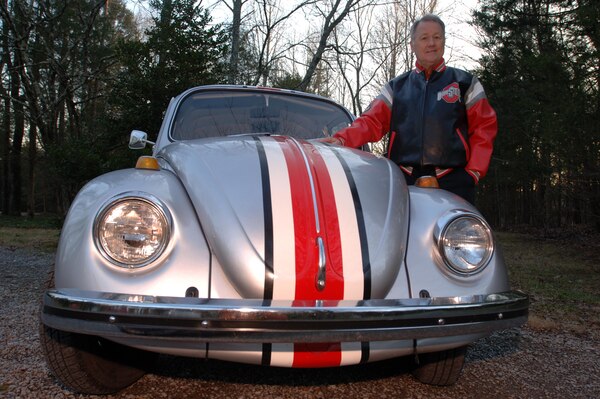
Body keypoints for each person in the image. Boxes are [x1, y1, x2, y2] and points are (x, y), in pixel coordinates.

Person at [321, 14, 497, 204]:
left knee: (457, 233)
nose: (431, 43)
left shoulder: (465, 83)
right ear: (412, 44)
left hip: (454, 180)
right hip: (402, 178)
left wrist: (473, 172)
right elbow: (371, 122)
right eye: (424, 38)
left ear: (444, 41)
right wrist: (341, 139)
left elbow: (484, 127)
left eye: (437, 37)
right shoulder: (396, 87)